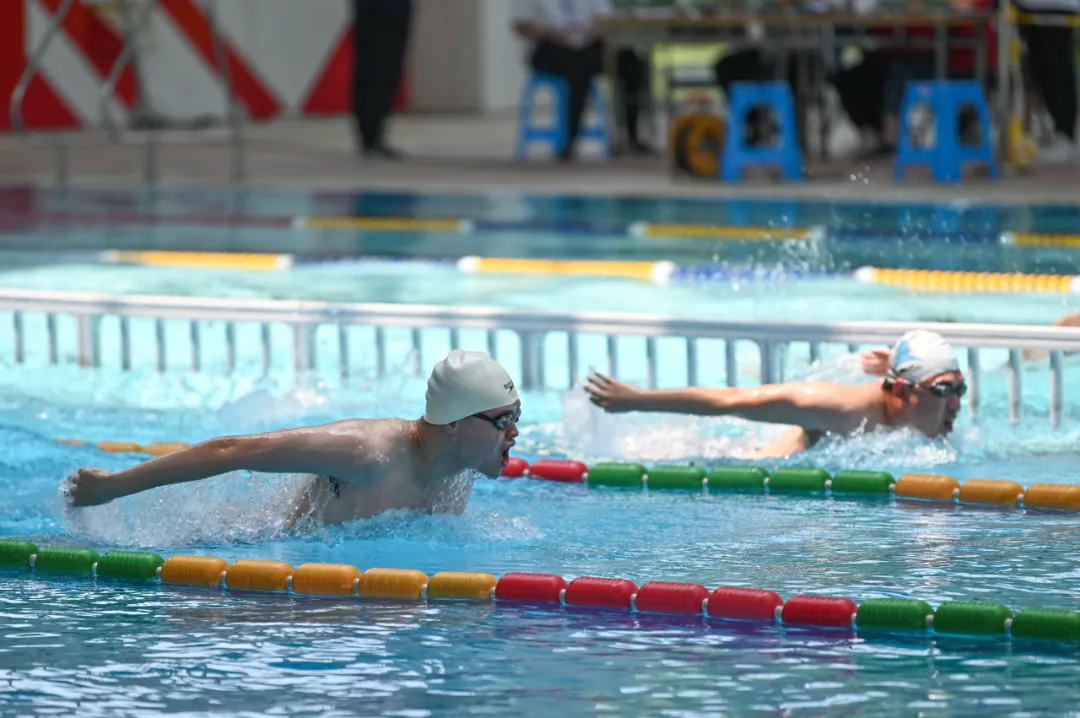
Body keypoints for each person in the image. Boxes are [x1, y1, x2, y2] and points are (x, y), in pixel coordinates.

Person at [63, 350, 521, 524]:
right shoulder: (367, 452)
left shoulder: (459, 467)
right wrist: (113, 487)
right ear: (455, 423)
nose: (514, 434)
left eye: (516, 417)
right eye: (502, 421)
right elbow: (231, 450)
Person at [585, 329, 964, 458]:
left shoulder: (908, 405)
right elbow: (731, 400)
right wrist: (637, 400)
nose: (956, 403)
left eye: (960, 388)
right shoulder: (834, 408)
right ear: (901, 389)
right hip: (758, 466)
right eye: (945, 390)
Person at [512, 0, 652, 159]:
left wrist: (589, 34)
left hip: (587, 44)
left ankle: (631, 136)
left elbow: (605, 19)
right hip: (549, 48)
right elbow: (521, 25)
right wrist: (552, 34)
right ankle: (570, 139)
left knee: (631, 62)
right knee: (580, 66)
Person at [352, 0, 414, 160]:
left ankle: (367, 134)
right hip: (392, 7)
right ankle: (374, 135)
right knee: (386, 68)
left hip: (367, 6)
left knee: (366, 65)